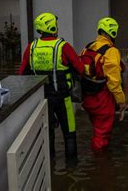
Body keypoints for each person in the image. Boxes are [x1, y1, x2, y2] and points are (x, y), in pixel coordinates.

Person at [19, 12, 84, 164]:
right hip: (63, 98)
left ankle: (50, 166)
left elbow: (22, 73)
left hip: (42, 99)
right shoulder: (63, 46)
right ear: (52, 27)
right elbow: (80, 69)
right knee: (69, 134)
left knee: (48, 135)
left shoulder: (31, 47)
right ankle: (72, 167)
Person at [80, 17, 128, 151]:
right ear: (113, 33)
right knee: (101, 135)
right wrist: (121, 101)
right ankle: (101, 166)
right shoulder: (111, 51)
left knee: (97, 129)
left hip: (88, 97)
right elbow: (114, 81)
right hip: (102, 99)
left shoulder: (87, 47)